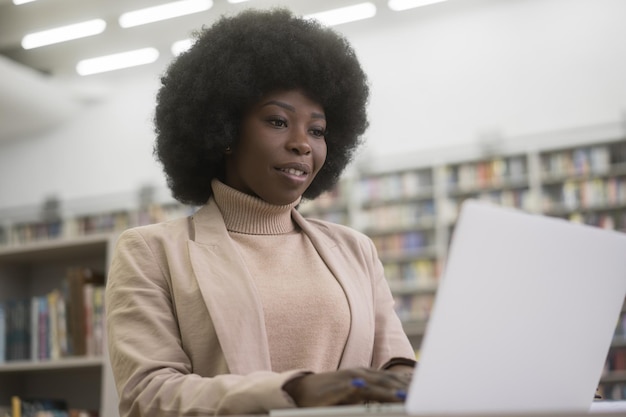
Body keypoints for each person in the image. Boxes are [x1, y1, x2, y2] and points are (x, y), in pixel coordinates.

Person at [105, 7, 416, 417]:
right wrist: (296, 391)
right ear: (226, 130)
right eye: (278, 121)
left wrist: (410, 378)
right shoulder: (151, 252)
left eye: (318, 130)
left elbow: (394, 361)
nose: (303, 144)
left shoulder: (354, 250)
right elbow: (148, 395)